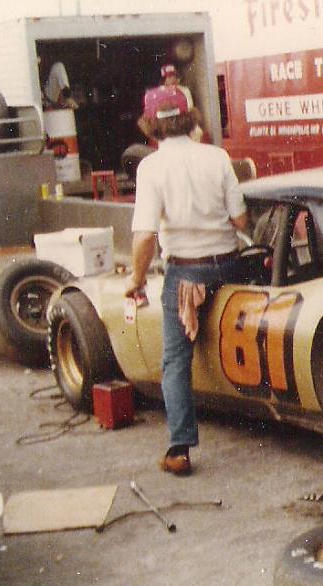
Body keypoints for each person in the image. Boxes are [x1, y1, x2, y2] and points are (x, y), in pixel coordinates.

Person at [125, 86, 247, 477]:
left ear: (150, 124)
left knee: (176, 361)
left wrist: (136, 279)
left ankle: (180, 448)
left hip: (185, 274)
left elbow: (145, 236)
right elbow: (241, 220)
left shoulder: (151, 168)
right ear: (189, 117)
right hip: (229, 266)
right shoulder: (217, 156)